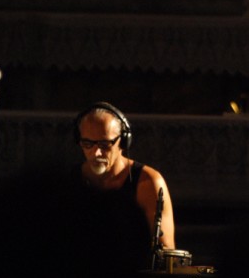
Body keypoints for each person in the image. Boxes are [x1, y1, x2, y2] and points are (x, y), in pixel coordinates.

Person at [74, 101, 176, 251]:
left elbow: (166, 250)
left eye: (104, 144)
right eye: (87, 143)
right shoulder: (70, 180)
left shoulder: (148, 182)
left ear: (123, 141)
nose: (96, 153)